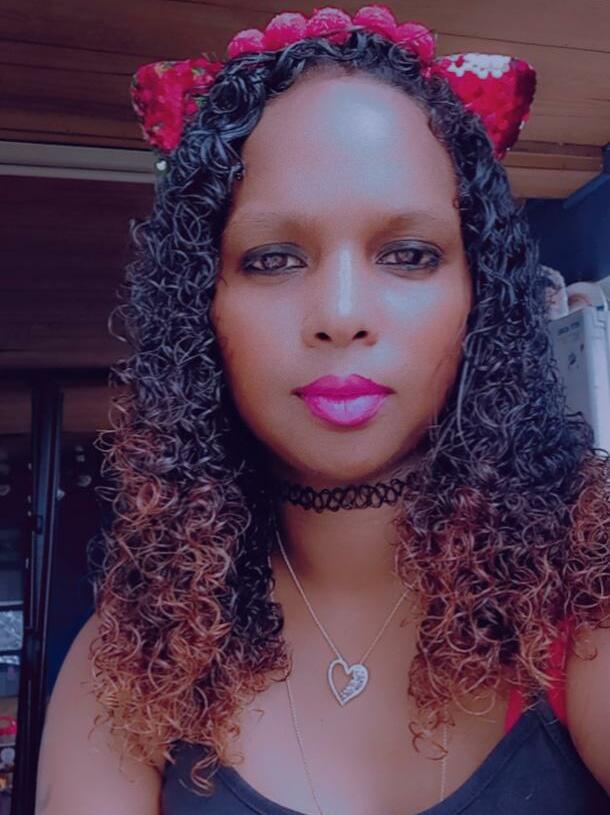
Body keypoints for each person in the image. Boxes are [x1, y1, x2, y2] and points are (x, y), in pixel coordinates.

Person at [35, 5, 610, 814]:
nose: (341, 315)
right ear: (201, 306)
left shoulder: (586, 588)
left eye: (408, 254)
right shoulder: (131, 660)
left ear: (480, 293)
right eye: (273, 259)